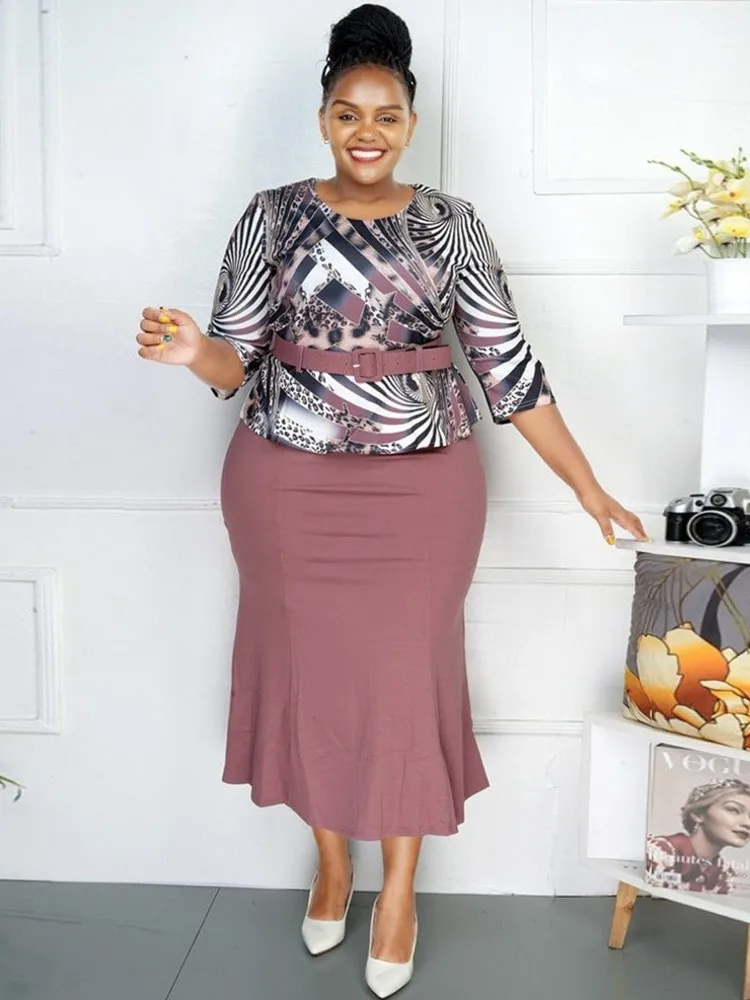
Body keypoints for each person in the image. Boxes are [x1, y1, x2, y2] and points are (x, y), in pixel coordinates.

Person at [136, 5, 647, 996]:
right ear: (323, 119)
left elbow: (509, 371)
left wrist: (588, 488)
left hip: (423, 488)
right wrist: (192, 349)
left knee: (407, 679)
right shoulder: (272, 216)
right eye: (348, 113)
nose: (366, 131)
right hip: (284, 479)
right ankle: (333, 863)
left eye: (386, 114)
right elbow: (232, 361)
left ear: (411, 121)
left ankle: (400, 889)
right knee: (307, 675)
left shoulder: (451, 225)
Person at [646, 779, 750, 895]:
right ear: (698, 814)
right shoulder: (656, 852)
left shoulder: (726, 875)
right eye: (733, 810)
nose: (747, 823)